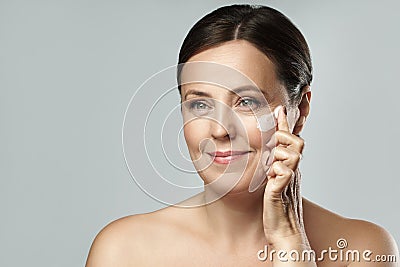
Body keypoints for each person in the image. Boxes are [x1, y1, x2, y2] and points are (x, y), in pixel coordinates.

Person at [86, 4, 399, 266]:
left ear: (299, 110)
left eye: (247, 102)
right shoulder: (124, 252)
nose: (220, 130)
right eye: (199, 104)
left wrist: (291, 243)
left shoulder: (363, 250)